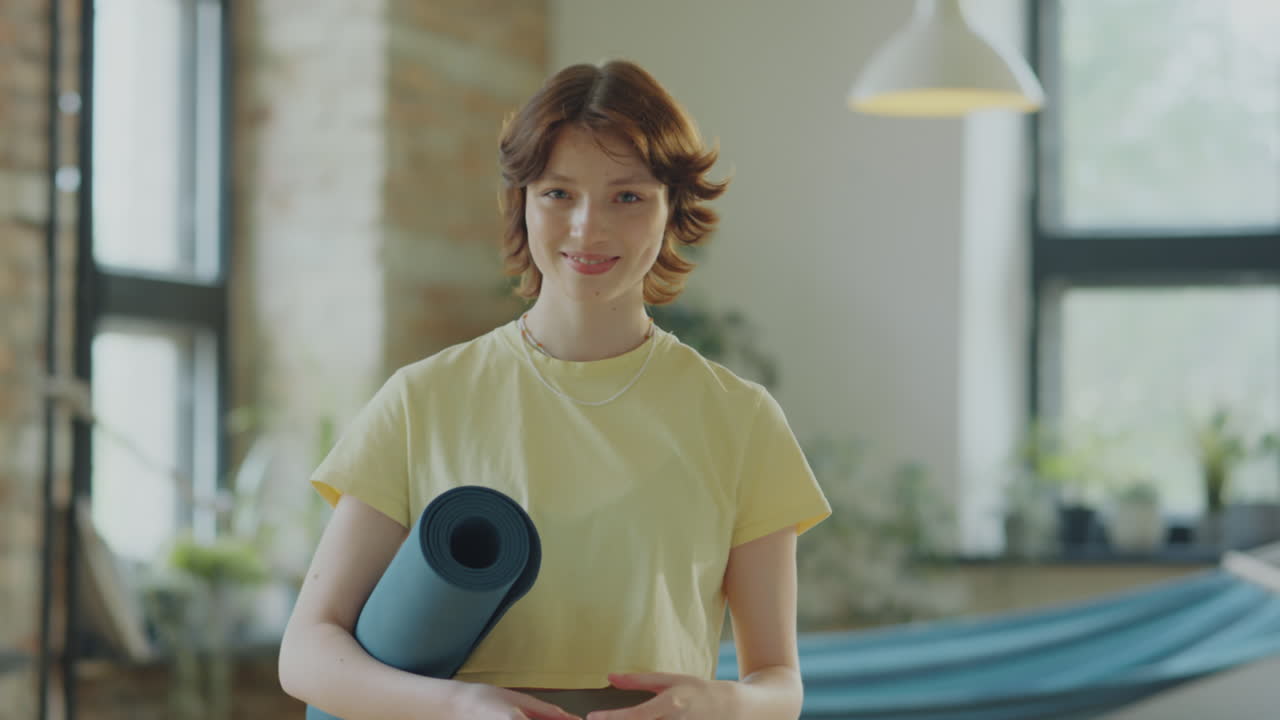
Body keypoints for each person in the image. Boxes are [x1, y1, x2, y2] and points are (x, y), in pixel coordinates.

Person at [278, 59, 831, 720]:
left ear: (673, 209)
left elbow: (779, 681)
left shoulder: (742, 420)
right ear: (522, 201)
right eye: (558, 193)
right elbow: (307, 653)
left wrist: (718, 705)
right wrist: (460, 706)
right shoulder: (422, 400)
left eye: (627, 196)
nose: (587, 227)